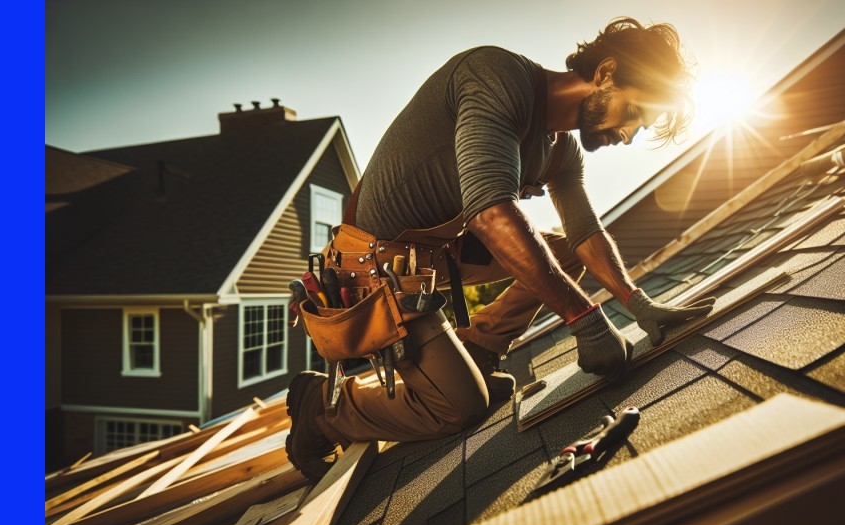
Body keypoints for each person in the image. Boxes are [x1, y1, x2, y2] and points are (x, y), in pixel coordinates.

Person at [287, 17, 716, 482]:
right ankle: (321, 408)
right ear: (606, 72)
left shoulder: (559, 149)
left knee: (565, 252)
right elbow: (489, 214)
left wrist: (638, 302)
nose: (628, 135)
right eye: (633, 113)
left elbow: (585, 231)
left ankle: (479, 353)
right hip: (376, 266)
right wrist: (586, 322)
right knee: (458, 409)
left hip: (436, 252)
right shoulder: (496, 76)